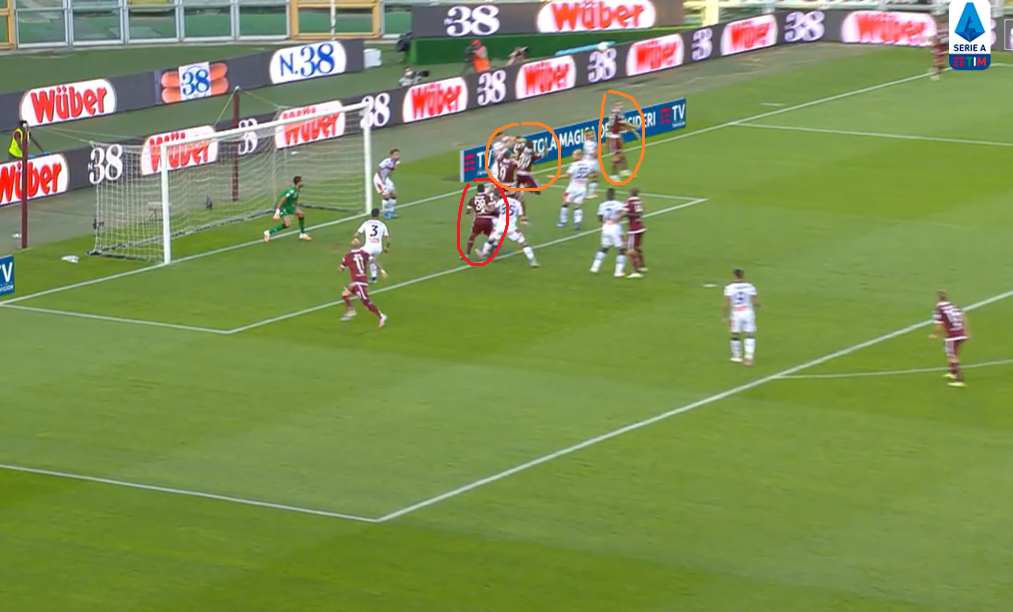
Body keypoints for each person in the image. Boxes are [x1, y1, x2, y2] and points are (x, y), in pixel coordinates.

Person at [929, 291, 969, 387]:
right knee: (952, 353)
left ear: (938, 298)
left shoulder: (939, 309)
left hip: (952, 336)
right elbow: (964, 318)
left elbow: (939, 324)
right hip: (961, 333)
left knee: (952, 356)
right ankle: (953, 372)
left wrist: (934, 334)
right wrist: (966, 332)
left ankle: (959, 379)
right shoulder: (955, 307)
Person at [722, 269, 760, 366]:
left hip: (736, 313)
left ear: (734, 276)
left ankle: (737, 356)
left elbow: (726, 304)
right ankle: (749, 356)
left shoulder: (729, 288)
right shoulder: (750, 286)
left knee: (735, 334)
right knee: (750, 334)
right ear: (743, 275)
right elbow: (755, 301)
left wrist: (724, 316)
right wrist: (759, 307)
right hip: (748, 312)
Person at [264, 176, 311, 242]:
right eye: (302, 181)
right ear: (298, 182)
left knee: (301, 215)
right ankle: (268, 232)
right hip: (282, 207)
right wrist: (277, 212)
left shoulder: (297, 191)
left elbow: (294, 200)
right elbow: (282, 200)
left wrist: (295, 207)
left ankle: (302, 234)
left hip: (289, 206)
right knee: (287, 224)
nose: (303, 183)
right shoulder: (291, 191)